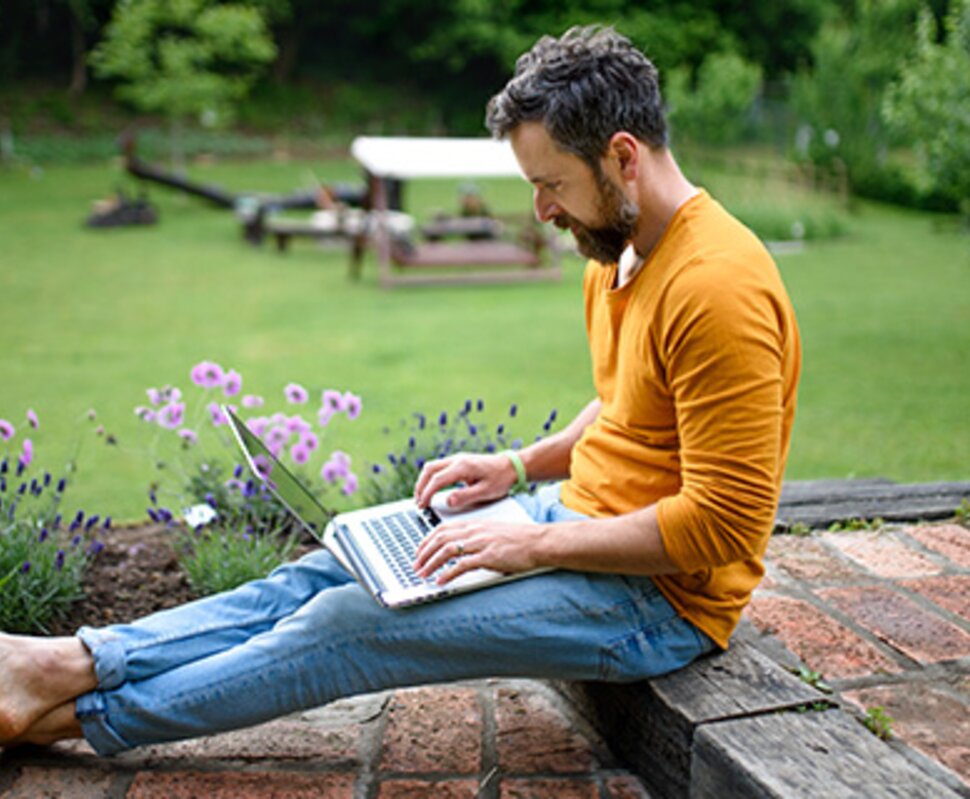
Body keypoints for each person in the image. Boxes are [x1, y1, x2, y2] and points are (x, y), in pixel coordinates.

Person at [0, 25, 800, 755]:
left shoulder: (717, 287)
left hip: (656, 605)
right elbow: (630, 402)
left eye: (551, 182)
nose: (541, 208)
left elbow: (723, 526)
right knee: (328, 568)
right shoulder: (622, 248)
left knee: (346, 624)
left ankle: (58, 718)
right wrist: (518, 468)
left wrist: (532, 543)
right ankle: (68, 660)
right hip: (574, 522)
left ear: (623, 157)